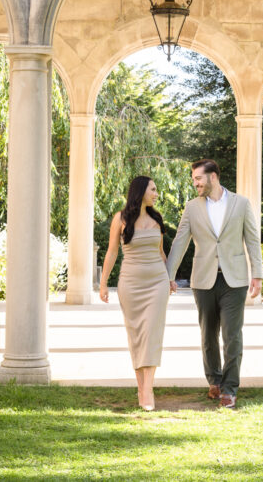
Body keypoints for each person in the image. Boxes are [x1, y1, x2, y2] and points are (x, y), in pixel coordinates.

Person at [165, 159, 262, 409]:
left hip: (235, 280)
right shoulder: (191, 208)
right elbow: (180, 242)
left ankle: (230, 388)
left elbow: (252, 240)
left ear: (213, 177)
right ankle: (214, 381)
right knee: (208, 334)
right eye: (194, 179)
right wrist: (169, 274)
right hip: (204, 279)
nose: (195, 183)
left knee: (232, 335)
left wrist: (257, 273)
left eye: (198, 178)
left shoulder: (240, 204)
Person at [99, 176, 176, 411]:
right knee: (137, 335)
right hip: (130, 284)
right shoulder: (120, 219)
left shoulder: (157, 218)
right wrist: (103, 285)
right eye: (153, 189)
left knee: (152, 333)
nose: (156, 193)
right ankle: (141, 387)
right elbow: (112, 252)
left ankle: (148, 389)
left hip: (157, 283)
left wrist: (170, 277)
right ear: (141, 191)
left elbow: (161, 252)